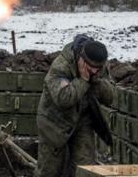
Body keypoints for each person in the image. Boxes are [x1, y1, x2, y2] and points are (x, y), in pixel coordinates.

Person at [35, 34, 116, 177]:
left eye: (98, 69)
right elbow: (64, 99)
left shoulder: (99, 66)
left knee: (85, 168)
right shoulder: (61, 66)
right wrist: (83, 81)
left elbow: (110, 98)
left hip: (82, 120)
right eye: (91, 68)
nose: (95, 72)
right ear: (81, 60)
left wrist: (97, 82)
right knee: (49, 170)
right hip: (53, 123)